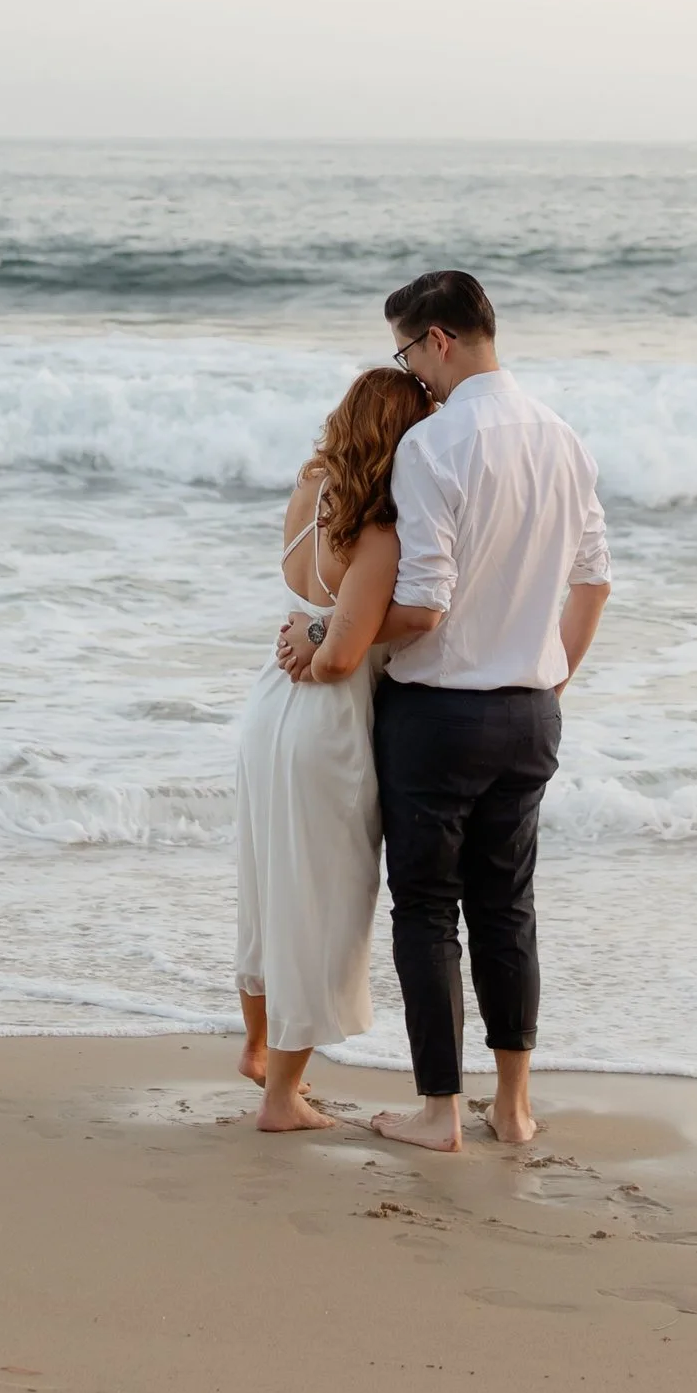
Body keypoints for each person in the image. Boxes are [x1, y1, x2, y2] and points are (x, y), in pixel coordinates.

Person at [279, 268, 610, 1153]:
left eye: (407, 354)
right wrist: (549, 679)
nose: (412, 376)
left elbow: (423, 606)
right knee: (508, 909)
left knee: (427, 912)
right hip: (531, 713)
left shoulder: (434, 446)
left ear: (437, 339)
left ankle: (438, 1113)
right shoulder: (564, 437)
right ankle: (514, 1107)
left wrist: (326, 630)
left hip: (438, 718)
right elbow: (594, 580)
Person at [234, 364, 433, 1132]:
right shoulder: (376, 532)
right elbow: (341, 658)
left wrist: (312, 633)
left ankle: (259, 1051)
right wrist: (324, 644)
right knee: (317, 907)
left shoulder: (309, 489)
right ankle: (282, 1099)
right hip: (325, 727)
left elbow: (315, 624)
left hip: (265, 712)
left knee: (266, 889)